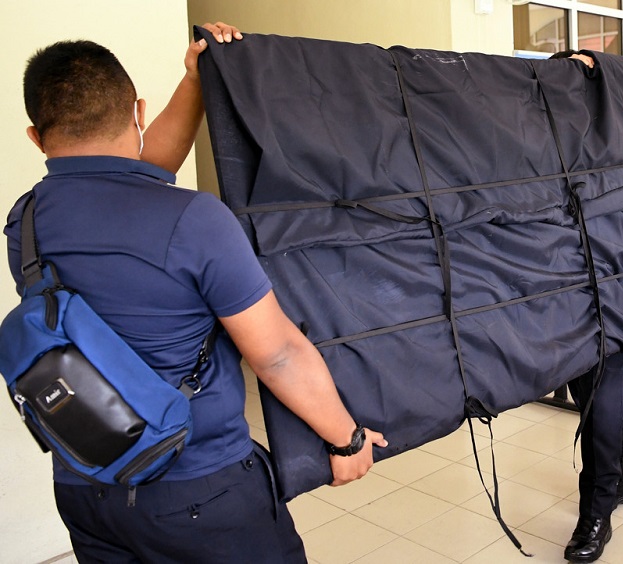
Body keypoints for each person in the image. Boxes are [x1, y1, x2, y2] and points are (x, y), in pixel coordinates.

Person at [5, 23, 386, 561]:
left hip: (85, 486)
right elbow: (277, 354)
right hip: (202, 493)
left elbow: (130, 180)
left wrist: (195, 79)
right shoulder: (193, 219)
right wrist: (346, 439)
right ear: (137, 111)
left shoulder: (27, 220)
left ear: (36, 137)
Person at [548, 50, 623, 563]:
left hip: (613, 307)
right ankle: (621, 474)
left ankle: (595, 515)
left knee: (603, 406)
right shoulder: (536, 149)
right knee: (593, 402)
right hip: (560, 305)